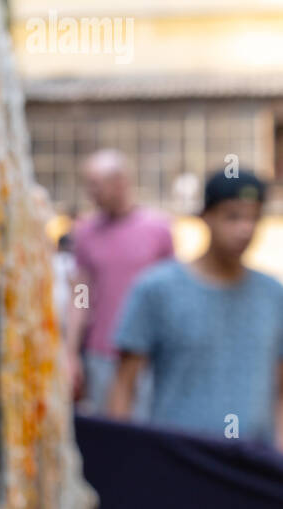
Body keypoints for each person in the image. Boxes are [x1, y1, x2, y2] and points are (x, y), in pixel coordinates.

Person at [108, 169, 283, 451]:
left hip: (253, 464)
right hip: (179, 461)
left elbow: (279, 387)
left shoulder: (273, 293)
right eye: (233, 216)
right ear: (206, 216)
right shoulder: (157, 288)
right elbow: (124, 383)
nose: (245, 229)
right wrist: (121, 458)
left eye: (254, 217)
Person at [66, 150, 174, 415]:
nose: (90, 193)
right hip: (102, 355)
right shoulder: (85, 234)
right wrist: (69, 352)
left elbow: (171, 294)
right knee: (114, 435)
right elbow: (81, 294)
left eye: (95, 185)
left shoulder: (158, 229)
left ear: (120, 182)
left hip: (150, 356)